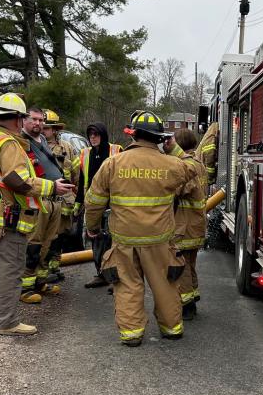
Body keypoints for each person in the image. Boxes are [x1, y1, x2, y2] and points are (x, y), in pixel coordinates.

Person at [0, 93, 74, 336]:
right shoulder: (9, 143)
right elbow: (17, 180)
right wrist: (52, 187)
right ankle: (8, 322)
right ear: (16, 120)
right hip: (7, 218)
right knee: (12, 271)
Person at [84, 111, 192, 346]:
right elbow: (196, 168)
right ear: (161, 138)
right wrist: (174, 148)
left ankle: (131, 334)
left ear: (132, 134)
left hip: (124, 241)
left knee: (127, 286)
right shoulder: (172, 165)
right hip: (159, 241)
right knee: (164, 284)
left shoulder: (112, 164)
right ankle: (172, 328)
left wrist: (92, 228)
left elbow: (93, 202)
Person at [19, 107, 65, 304]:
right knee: (34, 244)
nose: (37, 123)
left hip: (54, 200)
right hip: (38, 200)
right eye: (33, 119)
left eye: (40, 120)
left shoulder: (43, 141)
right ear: (23, 120)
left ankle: (40, 281)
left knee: (49, 242)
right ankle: (25, 287)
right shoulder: (21, 143)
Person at [163, 129, 207, 320]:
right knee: (190, 263)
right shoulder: (198, 163)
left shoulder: (187, 166)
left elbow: (178, 189)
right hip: (195, 223)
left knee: (182, 266)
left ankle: (187, 306)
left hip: (185, 225)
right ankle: (193, 297)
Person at [79, 122, 122, 288]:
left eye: (96, 134)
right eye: (90, 135)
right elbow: (82, 180)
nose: (92, 138)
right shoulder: (85, 154)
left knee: (113, 241)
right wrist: (78, 205)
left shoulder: (116, 151)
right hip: (94, 205)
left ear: (103, 135)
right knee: (96, 241)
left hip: (114, 205)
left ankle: (114, 277)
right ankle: (101, 274)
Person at [42, 109, 81, 284]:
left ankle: (54, 266)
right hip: (44, 200)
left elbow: (76, 175)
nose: (43, 131)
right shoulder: (35, 146)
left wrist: (75, 194)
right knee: (44, 236)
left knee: (60, 236)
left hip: (64, 200)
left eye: (47, 128)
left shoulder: (68, 148)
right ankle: (40, 270)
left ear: (56, 129)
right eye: (42, 128)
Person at [197, 120, 219, 185]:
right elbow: (210, 159)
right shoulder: (211, 139)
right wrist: (210, 178)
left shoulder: (208, 136)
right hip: (202, 173)